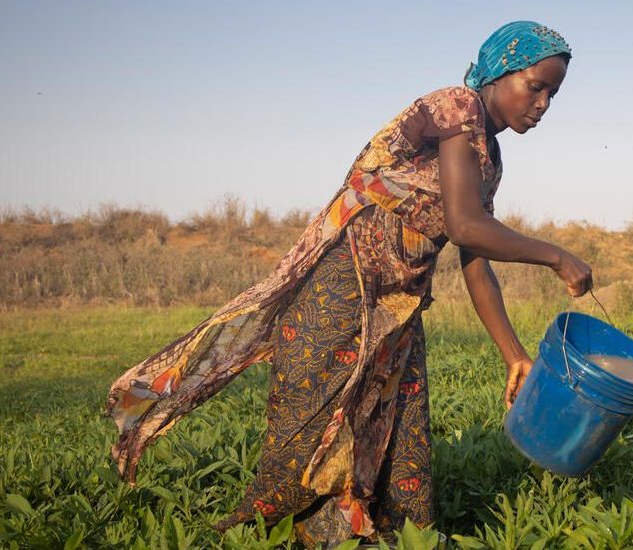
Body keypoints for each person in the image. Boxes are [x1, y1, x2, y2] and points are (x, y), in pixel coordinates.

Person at [105, 20, 592, 547]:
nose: (543, 103)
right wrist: (555, 256)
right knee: (310, 415)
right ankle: (281, 531)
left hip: (397, 301)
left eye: (553, 94)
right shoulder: (458, 108)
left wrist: (513, 354)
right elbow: (466, 225)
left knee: (398, 421)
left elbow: (476, 258)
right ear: (499, 71)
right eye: (535, 86)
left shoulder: (488, 159)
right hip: (341, 281)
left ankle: (401, 536)